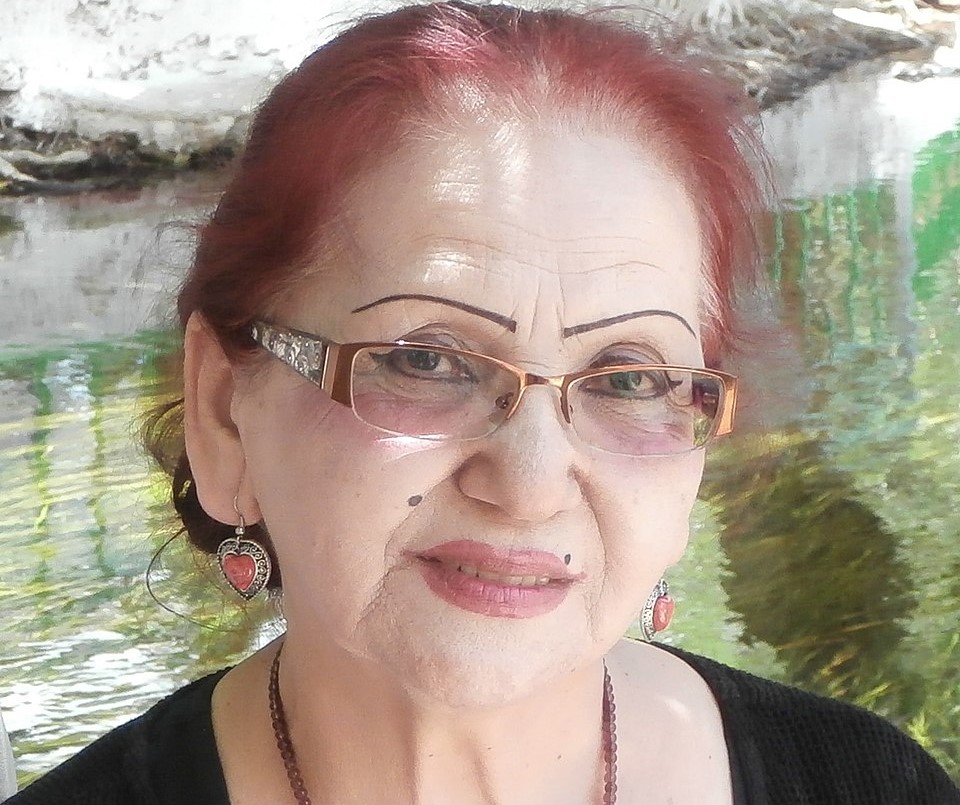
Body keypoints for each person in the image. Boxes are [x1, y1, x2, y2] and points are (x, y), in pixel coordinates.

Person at [8, 3, 959, 803]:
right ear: (224, 412)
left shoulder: (874, 785)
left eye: (630, 378)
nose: (532, 483)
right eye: (427, 361)